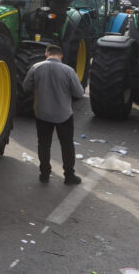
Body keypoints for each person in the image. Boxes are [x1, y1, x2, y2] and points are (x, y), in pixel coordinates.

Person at [21, 44, 85, 185]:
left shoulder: (36, 67)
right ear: (60, 56)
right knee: (67, 145)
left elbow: (25, 87)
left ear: (46, 55)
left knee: (44, 144)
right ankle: (69, 176)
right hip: (64, 115)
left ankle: (44, 174)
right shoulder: (68, 70)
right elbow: (79, 93)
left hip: (42, 113)